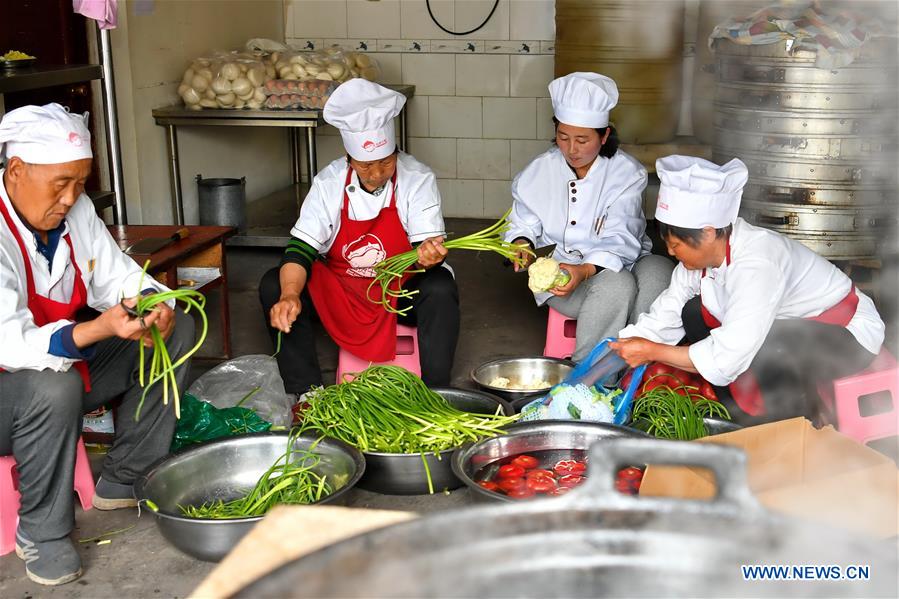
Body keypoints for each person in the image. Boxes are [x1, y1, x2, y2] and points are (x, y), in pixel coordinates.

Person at [0, 104, 194, 585]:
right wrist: (98, 330)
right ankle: (42, 533)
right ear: (16, 171)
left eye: (80, 183)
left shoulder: (75, 211)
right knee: (52, 388)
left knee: (176, 329)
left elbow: (117, 278)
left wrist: (151, 302)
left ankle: (124, 476)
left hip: (61, 375)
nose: (71, 197)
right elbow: (12, 343)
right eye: (60, 183)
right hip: (13, 398)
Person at [612, 155, 884, 424]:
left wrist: (652, 351)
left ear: (707, 233)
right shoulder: (700, 261)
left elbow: (731, 353)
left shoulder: (758, 262)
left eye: (676, 244)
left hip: (847, 337)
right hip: (785, 330)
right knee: (693, 313)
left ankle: (793, 423)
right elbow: (665, 314)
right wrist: (616, 351)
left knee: (774, 344)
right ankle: (738, 416)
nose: (670, 252)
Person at [259, 80, 459, 392]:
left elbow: (426, 245)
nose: (377, 174)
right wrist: (289, 295)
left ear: (396, 151)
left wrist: (429, 257)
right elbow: (299, 250)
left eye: (385, 162)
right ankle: (306, 393)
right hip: (342, 291)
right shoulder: (329, 183)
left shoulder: (417, 178)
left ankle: (438, 392)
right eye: (366, 166)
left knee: (441, 288)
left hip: (398, 290)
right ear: (349, 158)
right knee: (276, 284)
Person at [506, 72, 674, 362]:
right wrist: (521, 242)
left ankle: (642, 373)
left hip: (628, 260)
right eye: (563, 137)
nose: (572, 149)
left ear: (605, 134)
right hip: (566, 273)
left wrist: (586, 269)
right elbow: (522, 223)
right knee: (616, 286)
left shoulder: (626, 173)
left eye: (583, 140)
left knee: (660, 272)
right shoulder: (538, 172)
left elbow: (623, 235)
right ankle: (591, 378)